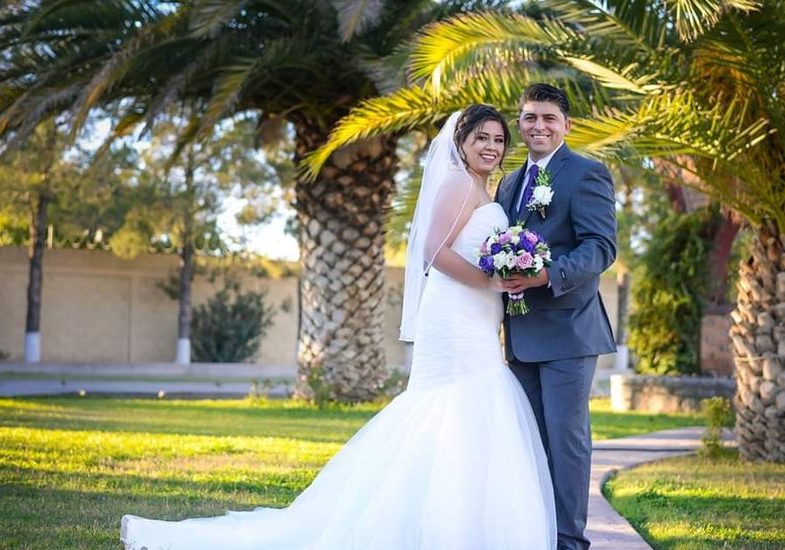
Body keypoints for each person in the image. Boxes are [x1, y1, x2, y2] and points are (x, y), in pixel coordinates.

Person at [120, 104, 557, 549]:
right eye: (481, 138)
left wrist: (507, 276)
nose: (490, 146)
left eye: (498, 140)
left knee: (472, 411)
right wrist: (492, 279)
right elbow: (435, 253)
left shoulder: (488, 190)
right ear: (460, 141)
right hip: (454, 315)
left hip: (479, 316)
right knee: (452, 407)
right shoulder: (459, 184)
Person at [495, 83, 618, 550]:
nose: (539, 126)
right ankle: (536, 533)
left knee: (566, 444)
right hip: (520, 334)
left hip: (569, 330)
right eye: (530, 118)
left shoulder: (586, 173)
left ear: (566, 125)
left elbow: (600, 247)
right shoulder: (508, 182)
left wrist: (546, 275)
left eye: (549, 118)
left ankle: (569, 541)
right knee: (529, 441)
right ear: (520, 123)